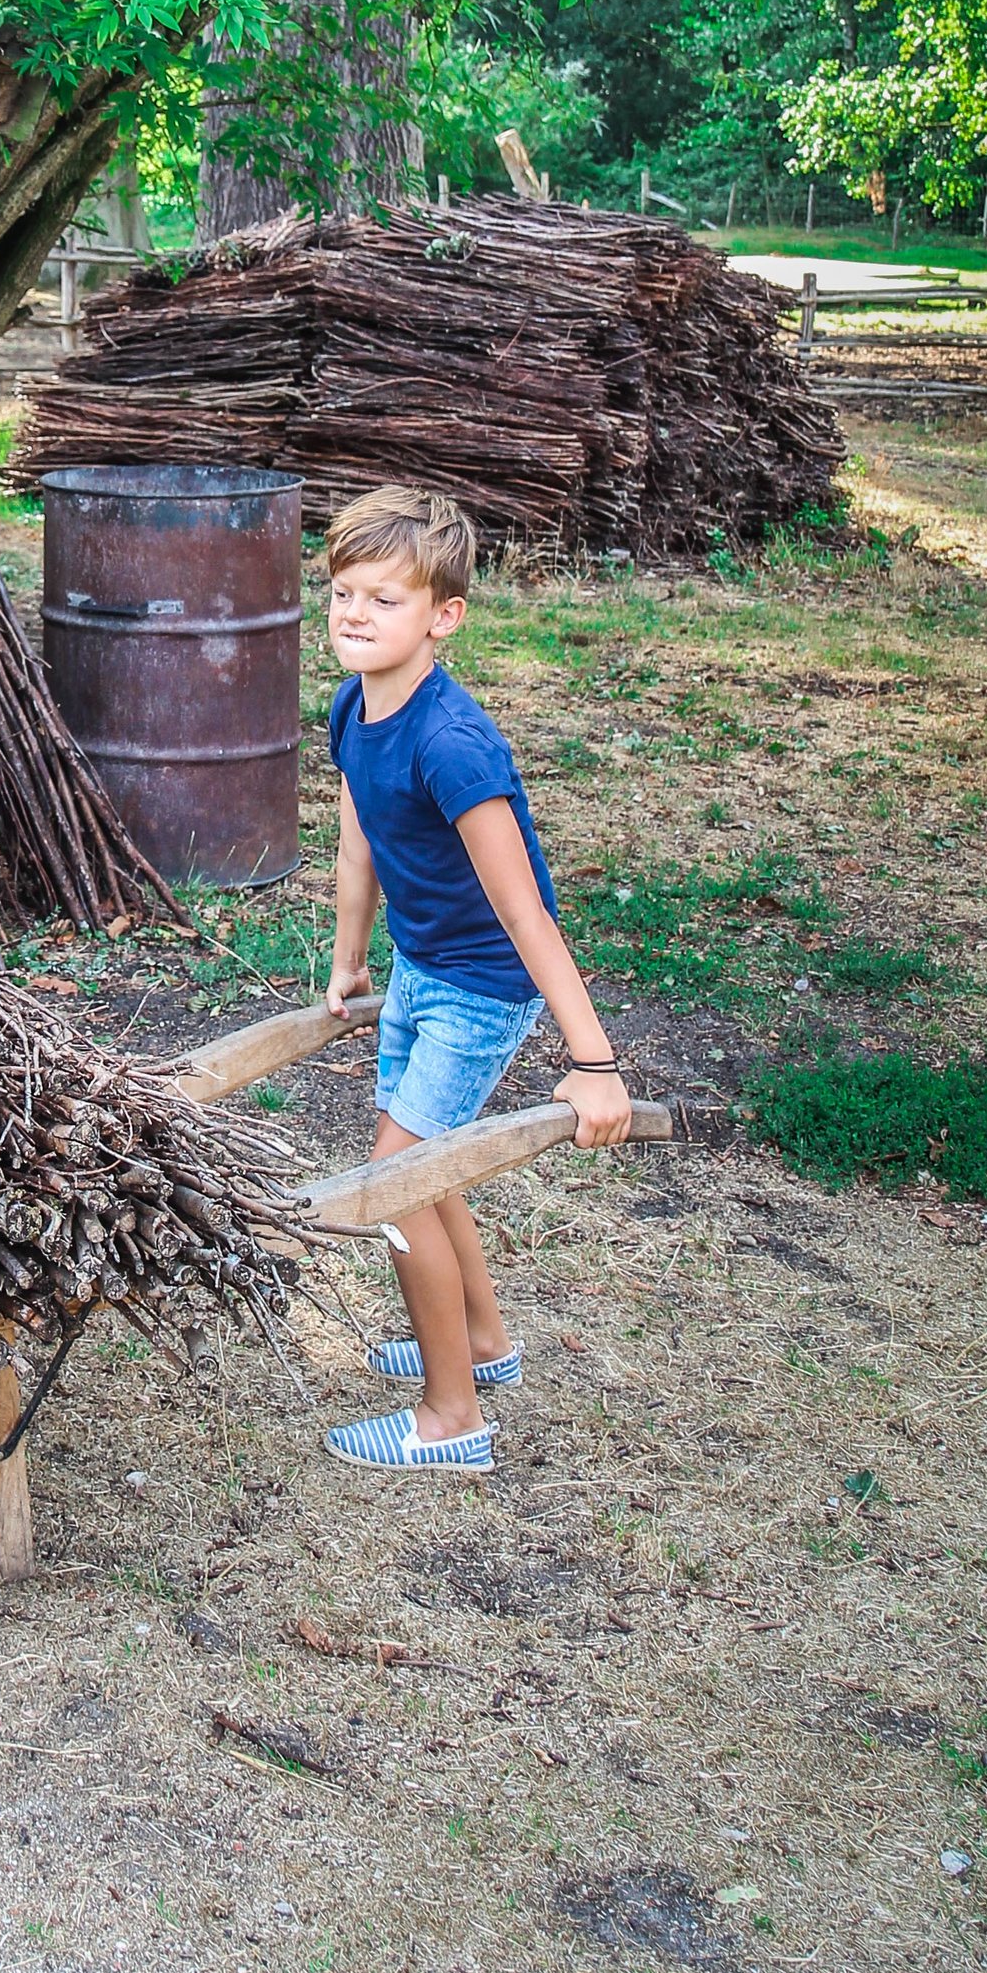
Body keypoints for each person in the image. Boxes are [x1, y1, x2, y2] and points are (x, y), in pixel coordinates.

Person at [316, 483, 632, 1475]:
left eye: (385, 599)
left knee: (398, 1178)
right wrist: (349, 956)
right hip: (420, 967)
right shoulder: (353, 707)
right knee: (427, 1157)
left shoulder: (453, 745)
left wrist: (593, 1063)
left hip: (481, 985)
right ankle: (484, 1343)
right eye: (343, 594)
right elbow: (360, 835)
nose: (356, 615)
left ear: (443, 617)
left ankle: (451, 1421)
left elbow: (525, 912)